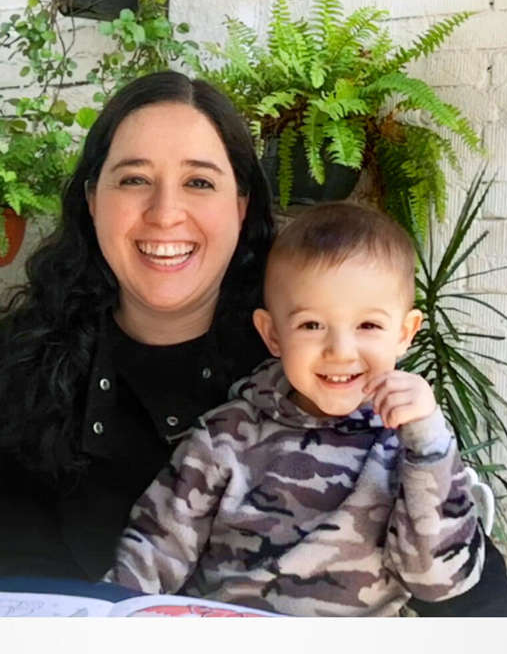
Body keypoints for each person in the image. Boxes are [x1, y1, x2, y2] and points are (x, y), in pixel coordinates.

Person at [0, 70, 507, 616]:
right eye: (134, 179)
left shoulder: (319, 359)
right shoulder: (24, 356)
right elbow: (25, 570)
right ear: (93, 199)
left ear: (240, 205)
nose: (165, 213)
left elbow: (472, 599)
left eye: (199, 182)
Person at [105, 203, 483, 616]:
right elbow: (152, 557)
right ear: (272, 334)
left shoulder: (412, 448)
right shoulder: (225, 436)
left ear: (405, 333)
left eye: (368, 326)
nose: (340, 351)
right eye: (311, 325)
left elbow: (439, 581)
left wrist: (427, 442)